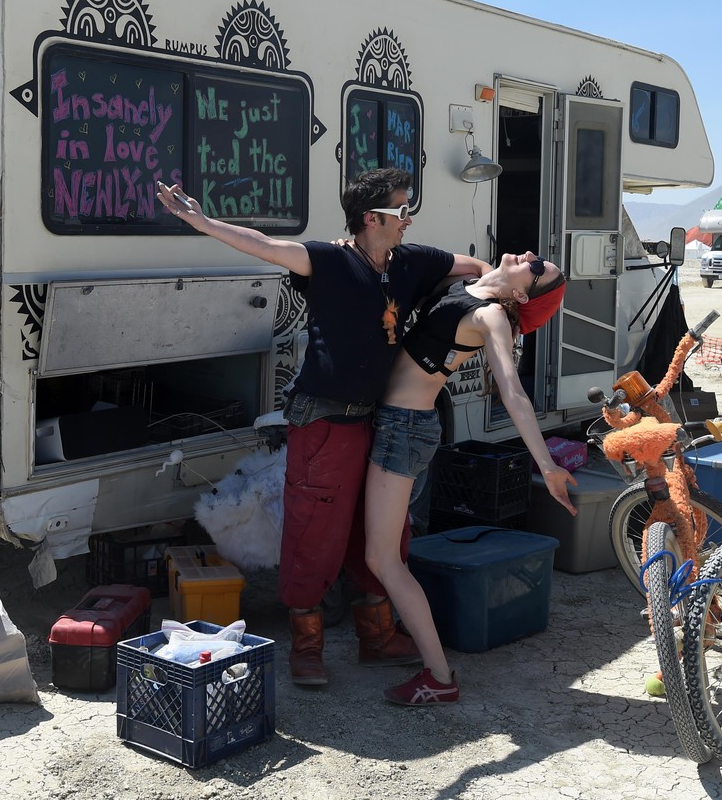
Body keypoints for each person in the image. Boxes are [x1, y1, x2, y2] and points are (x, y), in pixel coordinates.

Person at [155, 169, 488, 687]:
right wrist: (201, 222)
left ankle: (376, 636)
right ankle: (306, 649)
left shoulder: (415, 261)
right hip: (324, 420)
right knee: (315, 531)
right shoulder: (329, 260)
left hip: (381, 420)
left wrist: (491, 302)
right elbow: (264, 244)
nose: (409, 218)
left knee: (382, 530)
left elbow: (478, 269)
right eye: (402, 211)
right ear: (372, 218)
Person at [362, 251, 578, 705]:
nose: (532, 257)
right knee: (383, 553)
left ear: (521, 293)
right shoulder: (482, 280)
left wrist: (547, 466)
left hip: (404, 428)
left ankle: (439, 677)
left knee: (383, 559)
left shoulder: (492, 315)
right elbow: (448, 261)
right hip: (391, 422)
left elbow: (513, 393)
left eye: (537, 268)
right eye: (540, 258)